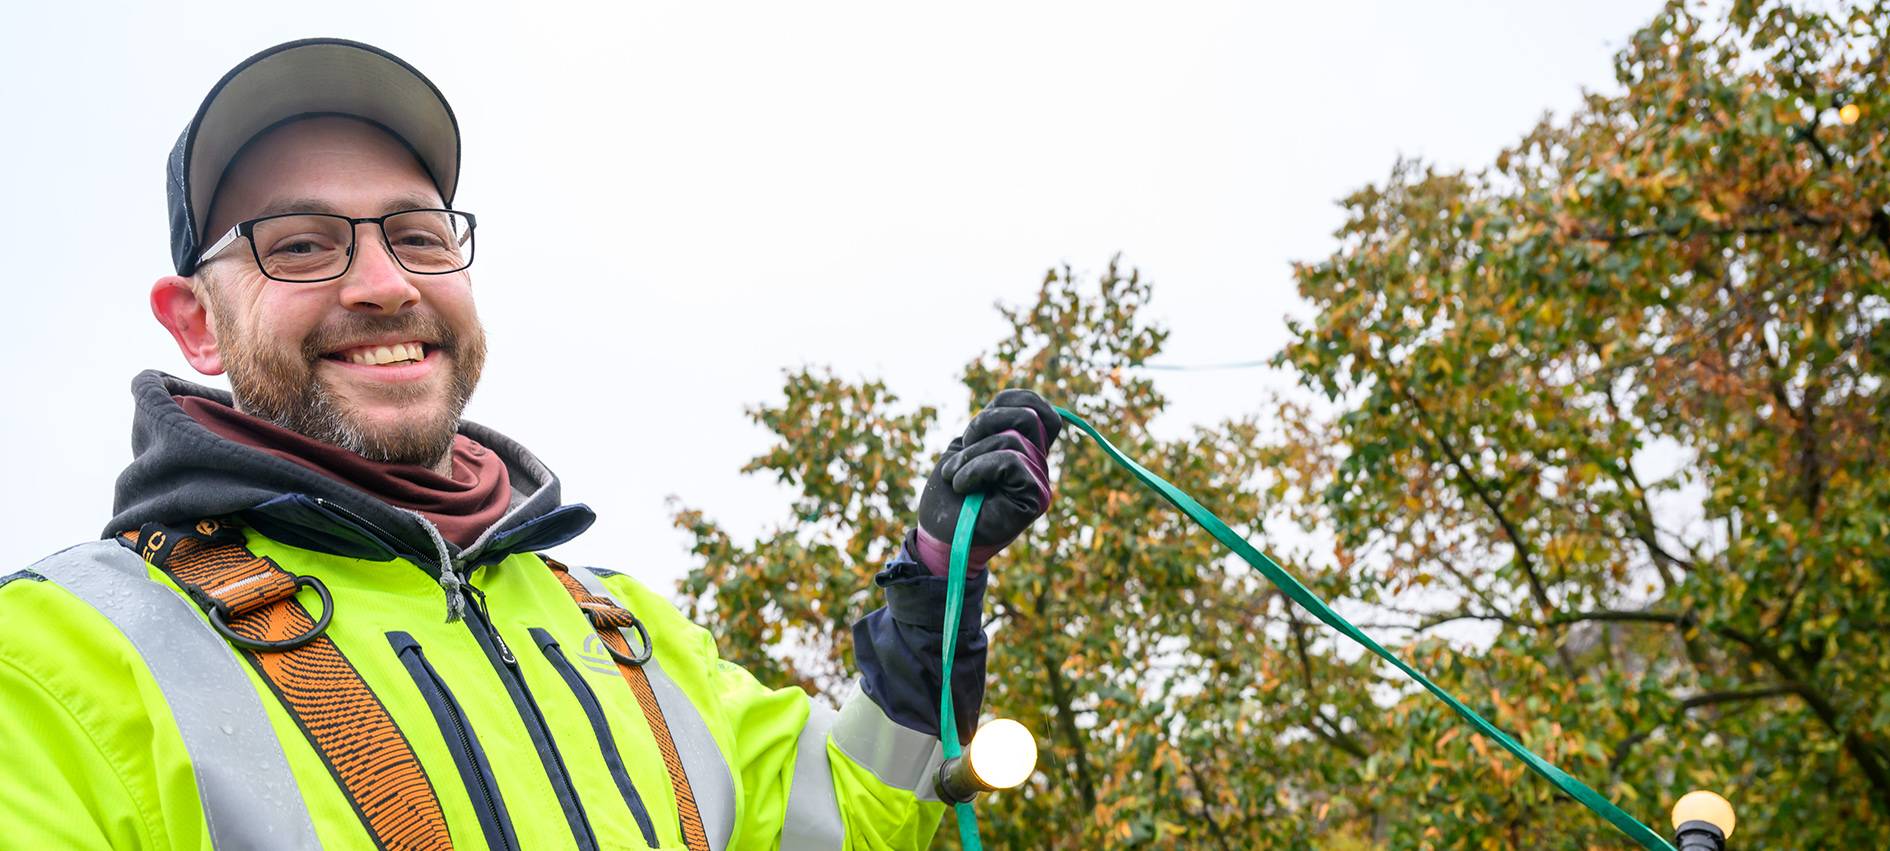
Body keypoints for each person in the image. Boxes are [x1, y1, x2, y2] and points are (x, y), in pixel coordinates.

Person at [0, 38, 1060, 850]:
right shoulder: (55, 656)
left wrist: (931, 587)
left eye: (417, 234)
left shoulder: (625, 628)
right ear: (193, 321)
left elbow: (847, 816)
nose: (386, 283)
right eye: (302, 245)